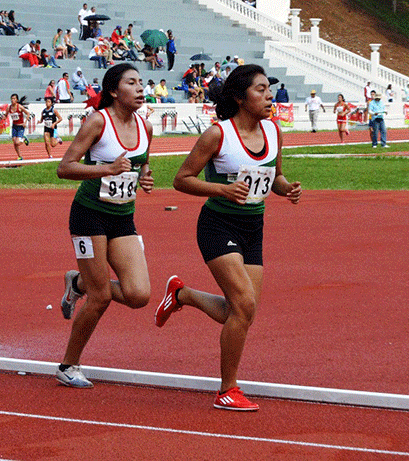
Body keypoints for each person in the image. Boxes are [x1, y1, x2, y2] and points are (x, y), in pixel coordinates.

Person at [155, 64, 301, 411]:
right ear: (239, 97)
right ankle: (227, 389)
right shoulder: (218, 135)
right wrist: (222, 189)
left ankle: (182, 294)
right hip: (218, 225)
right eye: (261, 89)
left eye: (270, 89)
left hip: (254, 227)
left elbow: (275, 177)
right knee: (244, 305)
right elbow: (182, 179)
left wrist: (287, 189)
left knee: (239, 312)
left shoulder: (273, 131)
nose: (269, 96)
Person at [55, 63, 154, 388]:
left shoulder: (146, 127)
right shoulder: (98, 121)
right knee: (101, 297)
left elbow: (141, 165)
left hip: (122, 216)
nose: (140, 88)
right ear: (114, 91)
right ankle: (69, 365)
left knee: (138, 295)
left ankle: (79, 284)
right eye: (132, 83)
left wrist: (144, 178)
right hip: (89, 215)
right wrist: (106, 169)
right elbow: (65, 168)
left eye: (141, 82)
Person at [5, 94, 31, 161]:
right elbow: (5, 115)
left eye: (14, 99)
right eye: (11, 98)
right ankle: (20, 156)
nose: (12, 100)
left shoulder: (19, 107)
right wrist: (2, 119)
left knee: (17, 142)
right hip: (14, 126)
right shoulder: (9, 108)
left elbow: (28, 113)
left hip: (20, 126)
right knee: (14, 141)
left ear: (16, 100)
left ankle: (24, 139)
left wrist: (25, 122)